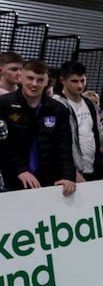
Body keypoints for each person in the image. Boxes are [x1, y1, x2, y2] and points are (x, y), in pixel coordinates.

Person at [0, 59, 76, 195]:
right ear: (20, 78)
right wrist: (20, 170)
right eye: (30, 78)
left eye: (40, 80)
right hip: (11, 178)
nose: (34, 84)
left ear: (47, 82)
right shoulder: (4, 104)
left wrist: (68, 177)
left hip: (48, 181)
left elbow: (64, 146)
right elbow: (3, 143)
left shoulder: (58, 110)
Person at [52, 61, 103, 182]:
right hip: (70, 171)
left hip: (94, 167)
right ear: (63, 80)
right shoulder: (56, 104)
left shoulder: (90, 104)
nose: (80, 85)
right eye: (74, 81)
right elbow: (56, 142)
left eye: (82, 80)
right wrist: (71, 171)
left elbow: (99, 131)